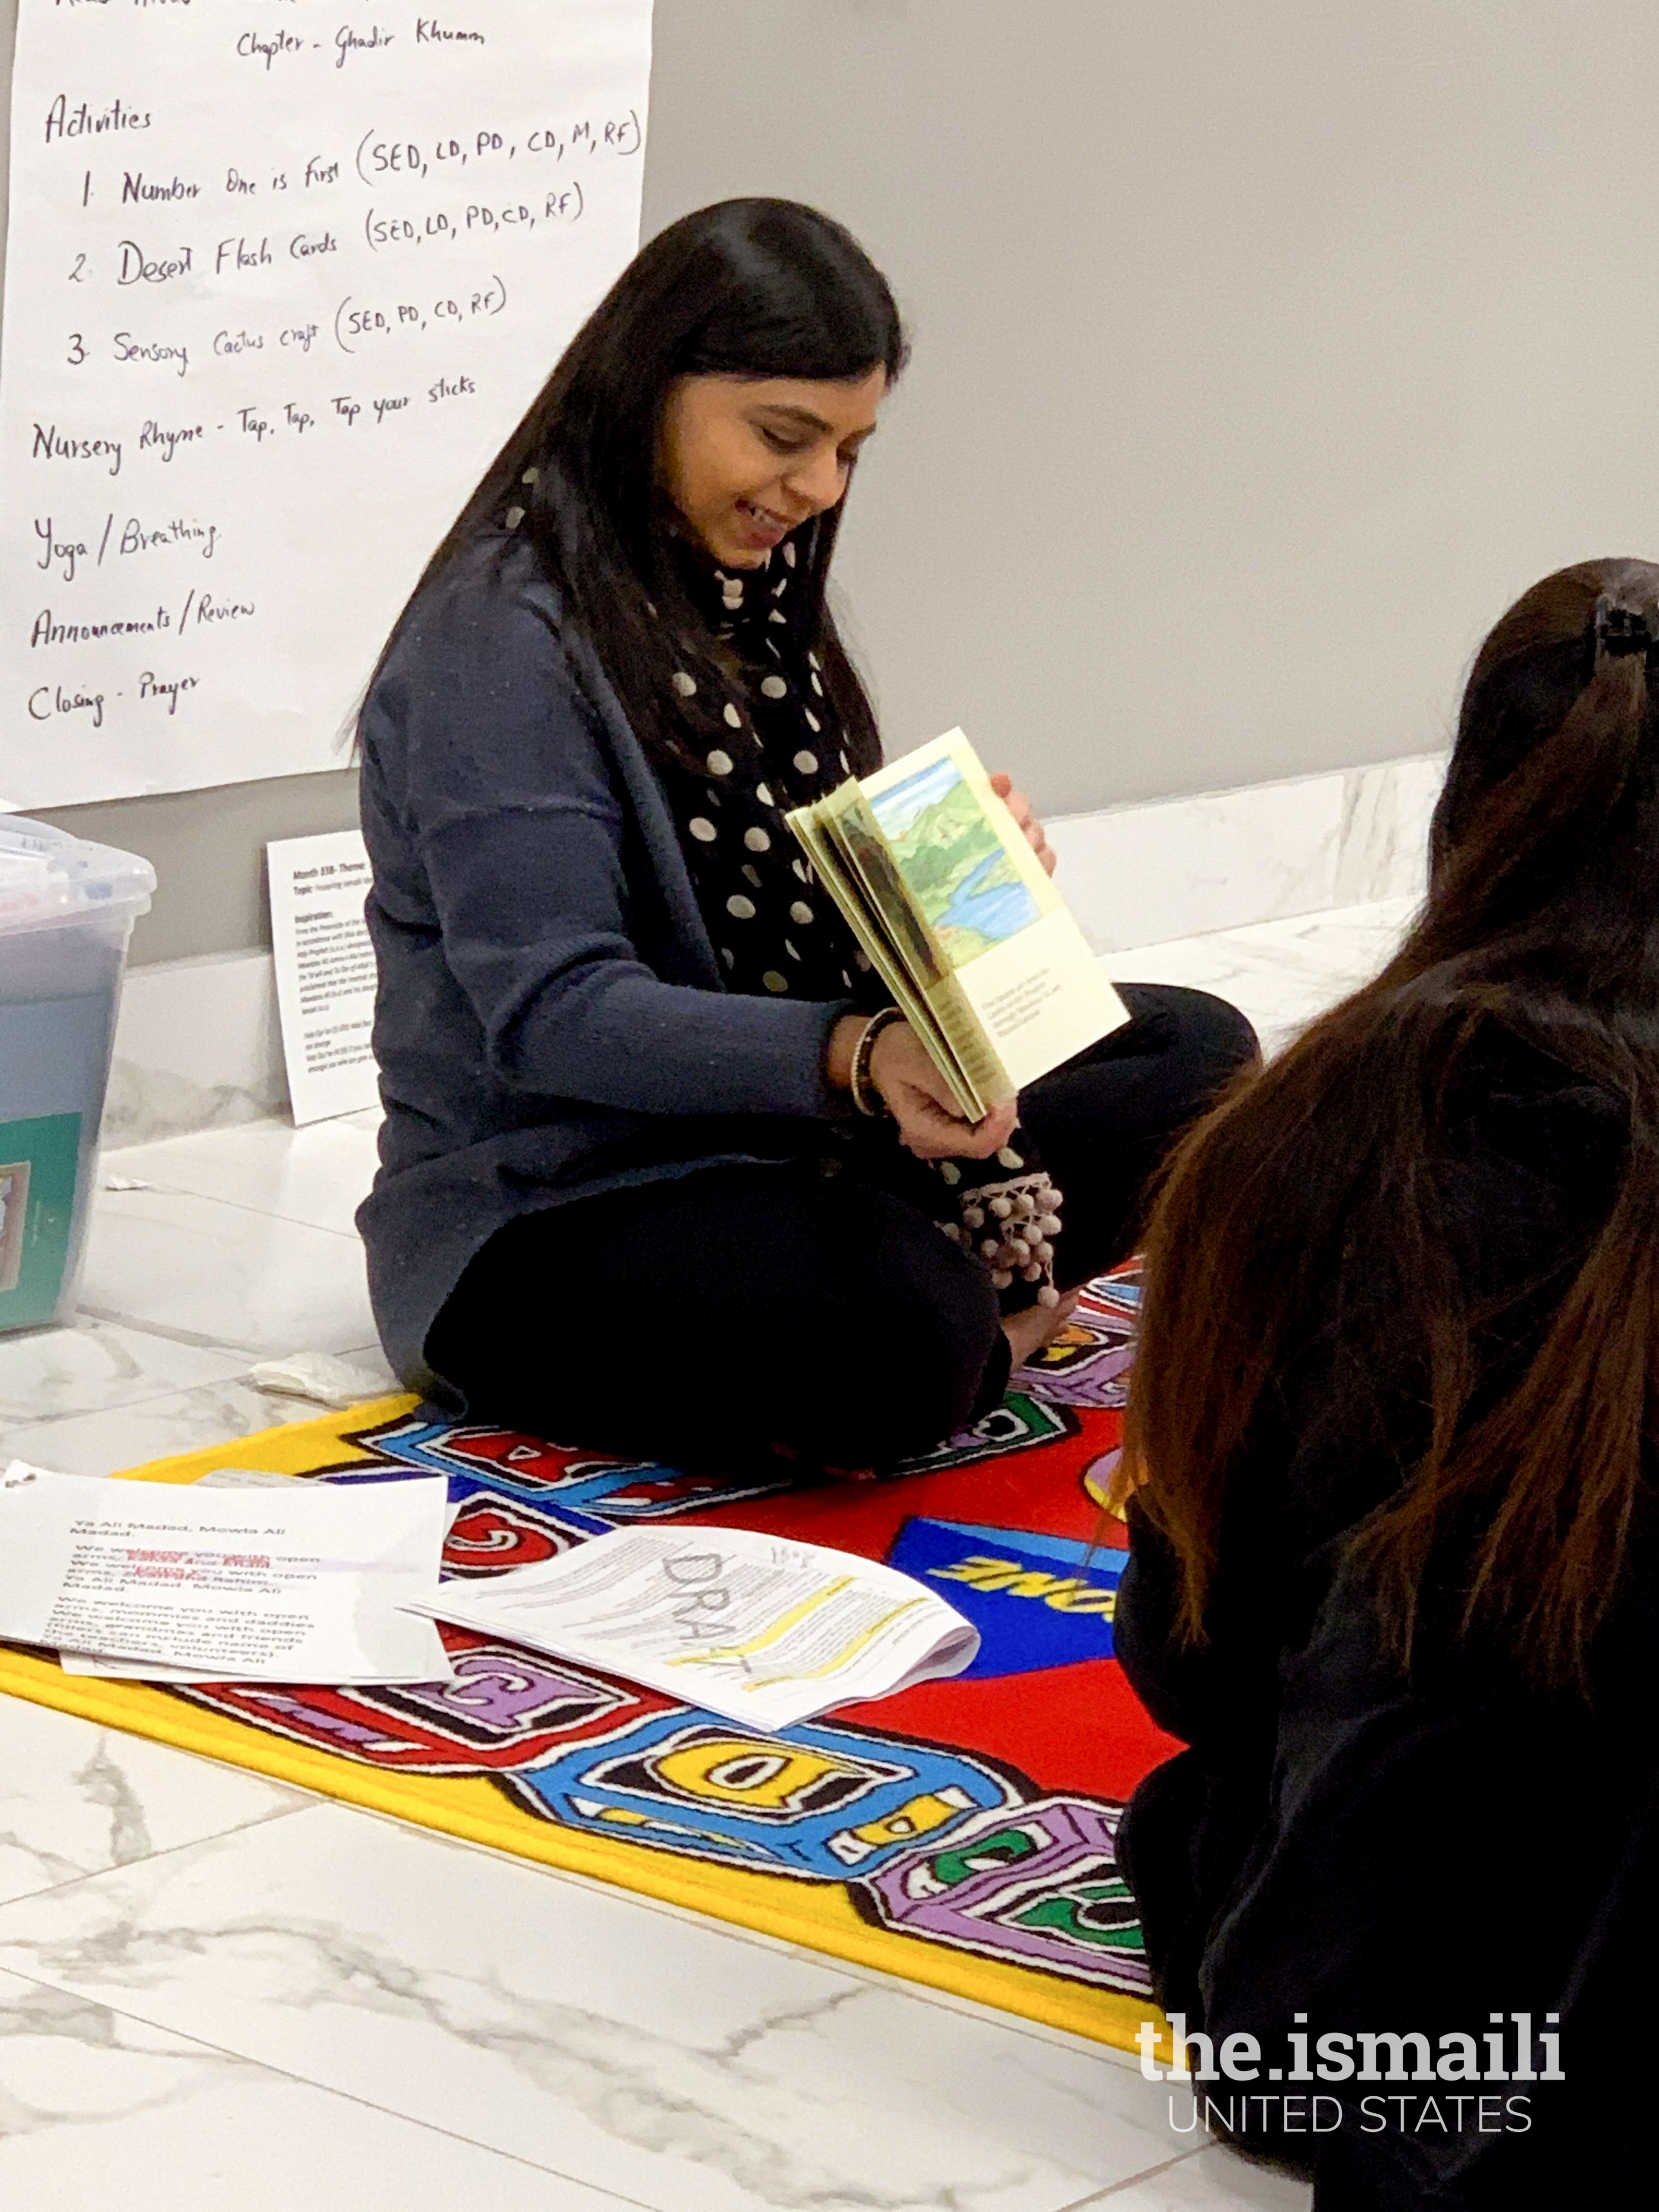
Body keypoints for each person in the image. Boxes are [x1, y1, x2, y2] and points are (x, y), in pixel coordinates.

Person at [356, 197, 1255, 1469]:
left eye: (849, 449)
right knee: (894, 1333)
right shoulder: (497, 640)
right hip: (562, 1199)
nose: (818, 487)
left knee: (1196, 1058)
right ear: (650, 387)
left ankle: (935, 1281)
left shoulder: (747, 593)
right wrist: (851, 1053)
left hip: (789, 1142)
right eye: (784, 438)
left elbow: (791, 899)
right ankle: (971, 1323)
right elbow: (558, 1012)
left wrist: (950, 883)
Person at [1111, 559, 1659, 2205]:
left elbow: (1196, 1657)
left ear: (1474, 803)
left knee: (1186, 1818)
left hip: (1377, 2046)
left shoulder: (1308, 1141)